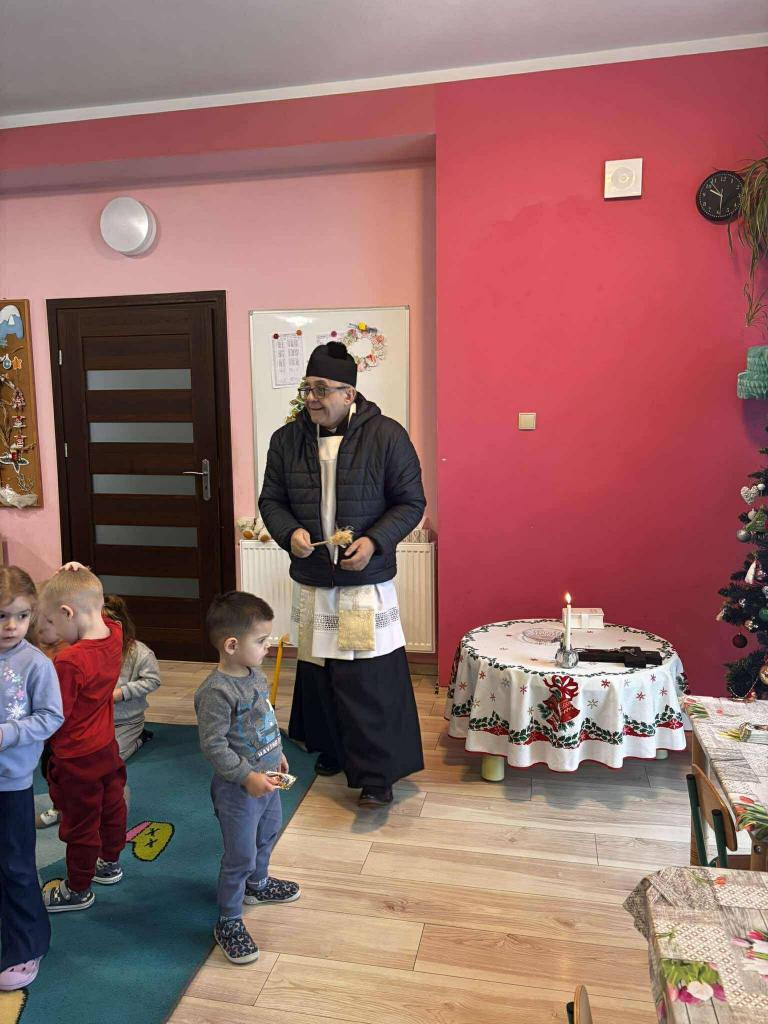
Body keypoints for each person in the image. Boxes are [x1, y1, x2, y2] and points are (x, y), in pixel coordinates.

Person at [259, 340, 426, 806]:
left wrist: (374, 542)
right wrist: (289, 532)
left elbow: (410, 502)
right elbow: (271, 500)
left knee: (366, 677)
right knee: (319, 670)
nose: (312, 398)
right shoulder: (286, 440)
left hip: (362, 583)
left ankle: (377, 776)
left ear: (349, 394)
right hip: (315, 578)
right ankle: (330, 747)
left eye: (322, 389)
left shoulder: (387, 436)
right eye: (307, 388)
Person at [195, 591, 300, 964]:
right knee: (239, 854)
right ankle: (229, 919)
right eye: (261, 640)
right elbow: (213, 746)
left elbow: (264, 719)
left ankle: (258, 884)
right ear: (232, 645)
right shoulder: (216, 692)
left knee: (268, 833)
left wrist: (277, 751)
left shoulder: (255, 675)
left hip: (267, 780)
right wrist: (245, 776)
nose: (268, 646)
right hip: (237, 791)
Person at [38, 567, 126, 912]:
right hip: (107, 748)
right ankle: (110, 863)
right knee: (112, 807)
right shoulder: (115, 634)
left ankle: (77, 889)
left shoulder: (70, 661)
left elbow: (53, 715)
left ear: (67, 612)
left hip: (75, 758)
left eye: (52, 622)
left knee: (80, 825)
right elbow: (97, 607)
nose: (54, 632)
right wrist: (82, 575)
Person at [0, 566, 63, 991]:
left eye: (21, 616)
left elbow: (51, 717)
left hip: (11, 784)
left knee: (16, 866)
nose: (12, 625)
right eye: (2, 616)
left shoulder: (35, 663)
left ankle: (27, 944)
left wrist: (6, 734)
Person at [103, 594, 161, 760]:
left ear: (117, 627)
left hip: (127, 720)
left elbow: (153, 680)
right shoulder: (91, 651)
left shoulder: (140, 653)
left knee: (113, 757)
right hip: (96, 719)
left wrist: (122, 693)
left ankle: (140, 738)